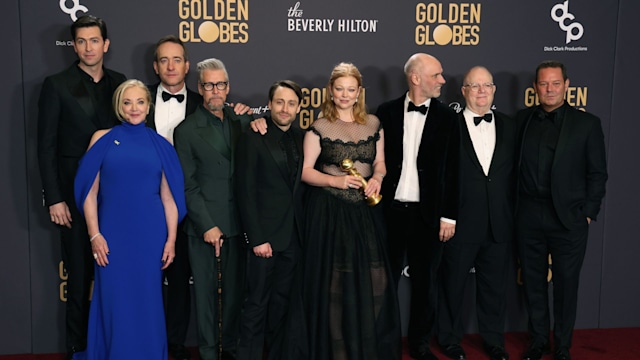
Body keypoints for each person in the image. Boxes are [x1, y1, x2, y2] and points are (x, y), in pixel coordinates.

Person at [74, 79, 187, 359]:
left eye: (139, 102)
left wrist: (171, 239)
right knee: (114, 299)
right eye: (127, 102)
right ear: (119, 106)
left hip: (150, 235)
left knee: (147, 300)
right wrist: (94, 234)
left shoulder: (161, 145)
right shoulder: (101, 139)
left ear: (148, 106)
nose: (133, 108)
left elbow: (169, 198)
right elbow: (90, 191)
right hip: (111, 233)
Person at [36, 15, 126, 359]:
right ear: (74, 46)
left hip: (117, 196)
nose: (89, 47)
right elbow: (46, 146)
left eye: (95, 41)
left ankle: (111, 343)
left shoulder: (121, 84)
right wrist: (54, 198)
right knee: (78, 278)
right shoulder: (56, 84)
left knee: (113, 275)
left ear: (105, 44)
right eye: (82, 41)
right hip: (74, 197)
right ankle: (77, 347)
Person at [301, 62, 401, 360]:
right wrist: (337, 180)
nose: (345, 95)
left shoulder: (373, 124)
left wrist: (377, 179)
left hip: (367, 214)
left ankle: (367, 348)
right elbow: (306, 172)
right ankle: (338, 352)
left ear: (359, 93)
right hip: (331, 212)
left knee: (377, 279)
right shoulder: (319, 127)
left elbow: (380, 162)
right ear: (330, 92)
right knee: (336, 283)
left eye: (351, 90)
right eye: (339, 89)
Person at [516, 61, 607, 360]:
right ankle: (538, 341)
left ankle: (563, 346)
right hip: (529, 216)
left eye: (556, 83)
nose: (550, 89)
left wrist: (588, 212)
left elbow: (598, 173)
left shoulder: (588, 124)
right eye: (544, 84)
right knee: (533, 283)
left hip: (569, 219)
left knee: (567, 286)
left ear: (567, 85)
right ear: (535, 88)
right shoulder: (521, 120)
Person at [375, 53, 459, 360]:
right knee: (384, 284)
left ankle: (420, 345)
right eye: (436, 75)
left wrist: (449, 216)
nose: (442, 80)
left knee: (426, 286)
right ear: (415, 78)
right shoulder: (385, 112)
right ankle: (385, 344)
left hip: (429, 215)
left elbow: (453, 171)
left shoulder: (449, 118)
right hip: (390, 213)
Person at [173, 58, 254, 360]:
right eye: (209, 85)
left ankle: (229, 350)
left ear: (228, 87)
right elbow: (188, 185)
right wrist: (207, 225)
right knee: (207, 299)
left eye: (221, 84)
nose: (215, 91)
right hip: (204, 228)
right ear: (200, 88)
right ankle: (209, 353)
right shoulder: (187, 130)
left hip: (239, 225)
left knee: (234, 296)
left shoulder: (241, 121)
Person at [437, 66, 515, 360]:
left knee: (494, 289)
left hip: (500, 223)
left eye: (487, 85)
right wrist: (446, 216)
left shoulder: (510, 126)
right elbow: (440, 176)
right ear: (464, 91)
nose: (482, 91)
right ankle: (449, 339)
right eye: (475, 86)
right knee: (452, 286)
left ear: (494, 90)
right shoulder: (447, 125)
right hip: (459, 222)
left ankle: (494, 341)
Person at [235, 80, 306, 360]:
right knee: (255, 305)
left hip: (294, 238)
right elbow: (245, 190)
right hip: (264, 238)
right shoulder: (254, 136)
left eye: (291, 103)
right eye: (279, 102)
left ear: (299, 108)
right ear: (270, 104)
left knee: (282, 306)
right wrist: (257, 238)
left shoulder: (304, 138)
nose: (285, 109)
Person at [147, 35, 201, 360]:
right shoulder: (135, 102)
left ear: (187, 65)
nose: (170, 66)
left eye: (177, 59)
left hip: (186, 206)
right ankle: (146, 343)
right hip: (143, 203)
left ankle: (176, 347)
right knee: (144, 279)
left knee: (179, 280)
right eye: (164, 60)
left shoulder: (202, 104)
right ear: (155, 66)